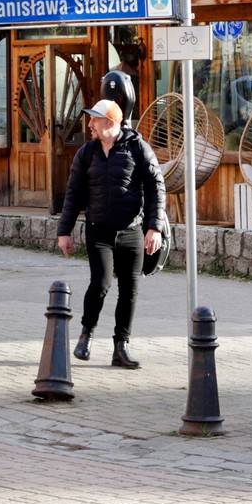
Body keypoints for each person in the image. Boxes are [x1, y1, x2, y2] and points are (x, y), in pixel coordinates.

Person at [55, 98, 166, 370]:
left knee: (130, 291)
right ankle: (86, 334)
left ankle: (121, 347)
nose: (90, 124)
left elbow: (156, 189)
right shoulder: (86, 153)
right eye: (90, 119)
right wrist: (64, 232)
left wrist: (154, 228)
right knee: (101, 283)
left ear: (111, 123)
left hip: (132, 232)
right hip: (98, 231)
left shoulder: (139, 148)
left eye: (95, 119)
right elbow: (73, 195)